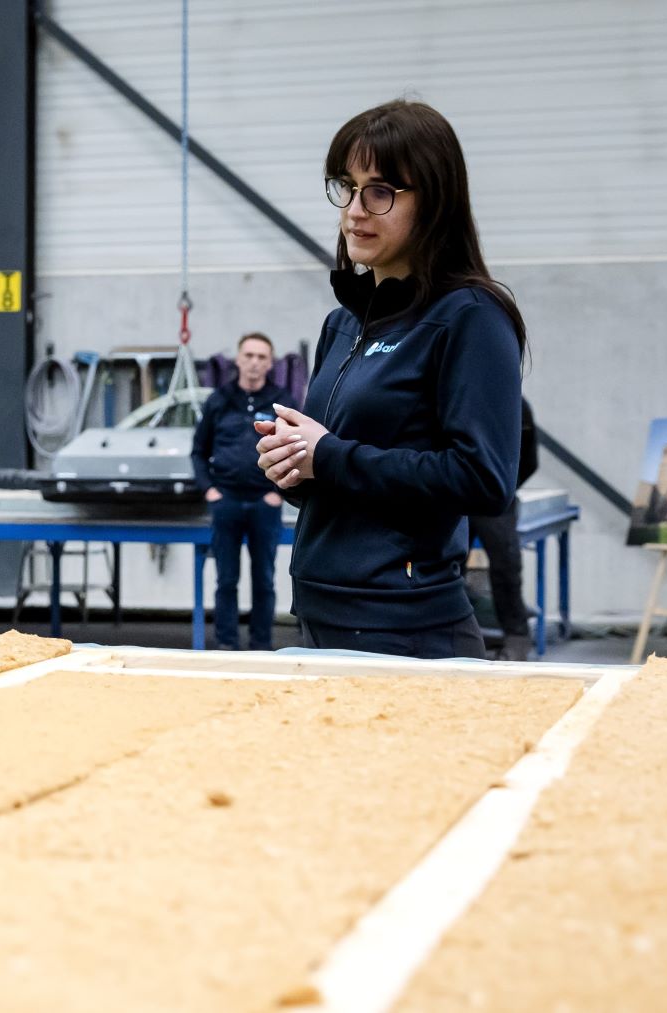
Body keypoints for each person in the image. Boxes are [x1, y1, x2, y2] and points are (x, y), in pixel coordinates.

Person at [254, 99, 524, 660]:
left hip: (406, 627)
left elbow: (484, 478)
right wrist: (296, 467)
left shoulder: (470, 318)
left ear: (435, 200)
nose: (355, 211)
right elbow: (343, 471)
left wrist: (329, 456)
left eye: (380, 191)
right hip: (321, 612)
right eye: (347, 188)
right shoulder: (342, 324)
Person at [191, 332, 290, 650]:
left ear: (270, 363)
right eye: (249, 355)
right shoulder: (218, 400)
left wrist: (278, 492)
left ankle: (261, 647)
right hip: (227, 502)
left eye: (262, 357)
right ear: (238, 359)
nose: (254, 362)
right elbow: (198, 451)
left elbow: (295, 449)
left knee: (264, 580)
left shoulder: (281, 402)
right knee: (226, 579)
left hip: (265, 502)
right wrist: (209, 490)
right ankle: (226, 645)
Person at [470, 398, 538, 660]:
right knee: (448, 564)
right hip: (458, 493)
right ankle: (461, 634)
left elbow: (530, 459)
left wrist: (504, 486)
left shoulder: (516, 404)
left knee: (506, 564)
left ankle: (517, 637)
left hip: (495, 496)